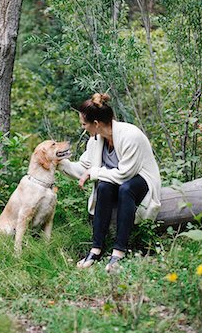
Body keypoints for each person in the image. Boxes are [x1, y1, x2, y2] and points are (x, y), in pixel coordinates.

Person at [59, 93, 161, 272]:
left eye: (84, 124)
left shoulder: (131, 135)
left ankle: (119, 251)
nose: (83, 128)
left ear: (96, 124)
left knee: (126, 189)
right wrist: (59, 163)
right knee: (104, 187)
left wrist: (94, 172)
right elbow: (85, 167)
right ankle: (96, 249)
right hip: (116, 180)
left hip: (141, 179)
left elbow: (125, 174)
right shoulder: (95, 140)